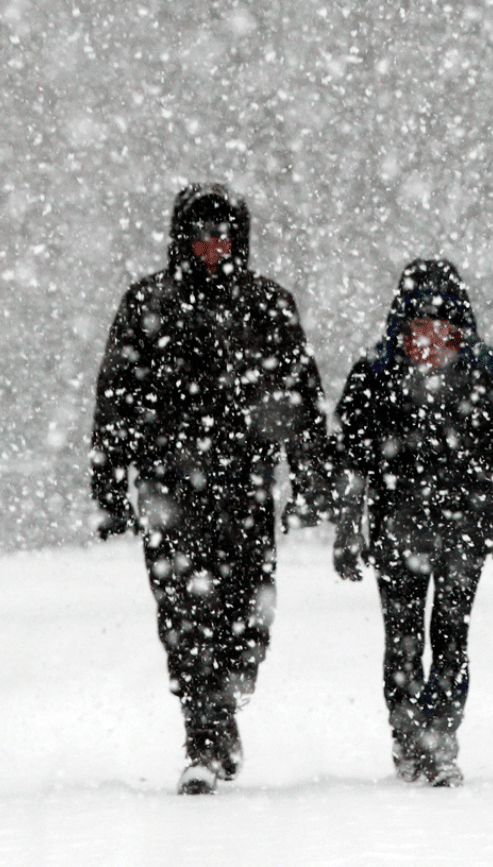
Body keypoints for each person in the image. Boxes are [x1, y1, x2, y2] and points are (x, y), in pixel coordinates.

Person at [91, 183, 342, 795]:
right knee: (181, 612)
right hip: (167, 489)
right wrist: (109, 485)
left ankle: (228, 697)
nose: (211, 246)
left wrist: (312, 481)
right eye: (200, 234)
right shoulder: (148, 304)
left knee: (247, 613)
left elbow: (302, 403)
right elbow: (116, 399)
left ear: (240, 239)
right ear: (182, 237)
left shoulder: (267, 306)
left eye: (222, 235)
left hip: (243, 489)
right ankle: (203, 731)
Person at [332, 258, 493, 787]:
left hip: (465, 528)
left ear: (460, 328)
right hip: (397, 528)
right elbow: (350, 457)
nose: (430, 338)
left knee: (451, 633)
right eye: (418, 326)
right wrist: (347, 526)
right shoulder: (375, 374)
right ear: (401, 327)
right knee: (403, 636)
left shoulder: (486, 373)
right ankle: (410, 737)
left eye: (442, 327)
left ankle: (441, 736)